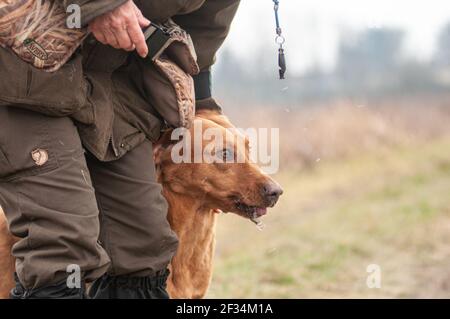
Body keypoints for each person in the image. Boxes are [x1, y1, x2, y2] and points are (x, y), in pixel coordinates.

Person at [0, 0, 240, 299]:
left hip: (116, 90)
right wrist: (101, 5)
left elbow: (204, 32)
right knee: (62, 248)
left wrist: (201, 109)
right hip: (22, 69)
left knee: (142, 250)